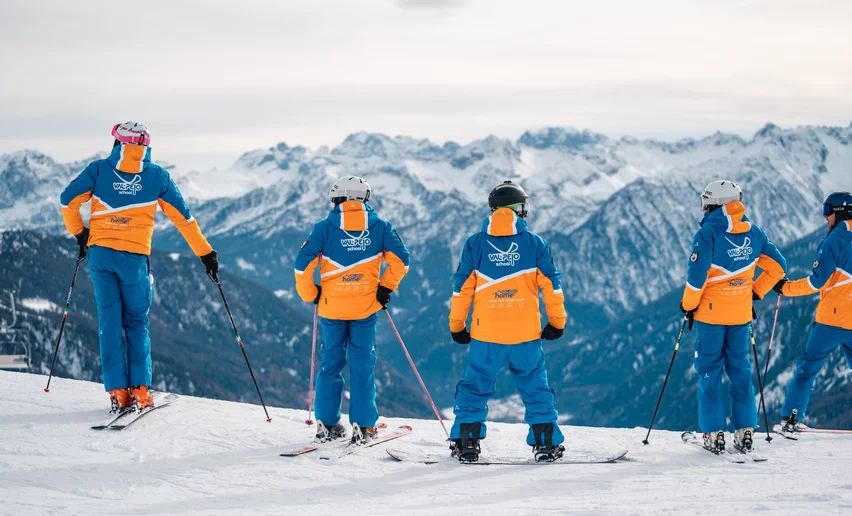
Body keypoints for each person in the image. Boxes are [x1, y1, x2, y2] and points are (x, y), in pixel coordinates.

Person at [60, 122, 218, 413]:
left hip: (101, 256)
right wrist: (205, 254)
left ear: (117, 144)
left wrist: (79, 233)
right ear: (146, 147)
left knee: (109, 322)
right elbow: (184, 219)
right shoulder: (157, 176)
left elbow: (67, 200)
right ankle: (140, 392)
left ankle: (117, 393)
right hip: (134, 260)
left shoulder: (98, 170)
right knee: (136, 322)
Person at [448, 180, 566, 463]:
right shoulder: (535, 243)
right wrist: (557, 322)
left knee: (475, 387)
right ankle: (546, 444)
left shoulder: (475, 243)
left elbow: (461, 289)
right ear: (519, 209)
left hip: (485, 335)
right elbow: (552, 286)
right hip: (525, 335)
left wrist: (457, 326)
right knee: (535, 387)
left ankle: (467, 443)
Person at [294, 175, 410, 445]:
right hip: (365, 308)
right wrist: (385, 288)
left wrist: (311, 294)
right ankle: (364, 426)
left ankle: (327, 424)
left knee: (330, 364)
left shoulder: (323, 228)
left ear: (338, 199)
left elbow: (302, 266)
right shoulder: (380, 227)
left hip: (331, 307)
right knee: (362, 365)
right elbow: (402, 261)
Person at [680, 180, 786, 454]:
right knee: (740, 371)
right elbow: (778, 268)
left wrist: (688, 306)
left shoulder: (707, 235)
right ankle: (745, 431)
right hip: (740, 316)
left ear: (716, 204)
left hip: (710, 318)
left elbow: (696, 280)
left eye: (706, 203)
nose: (703, 209)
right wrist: (754, 293)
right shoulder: (755, 233)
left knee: (709, 372)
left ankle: (714, 434)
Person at [775, 192, 852, 432]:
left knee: (807, 369)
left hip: (831, 320)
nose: (825, 217)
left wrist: (786, 288)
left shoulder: (834, 241)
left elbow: (817, 281)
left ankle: (791, 418)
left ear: (840, 212)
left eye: (827, 210)